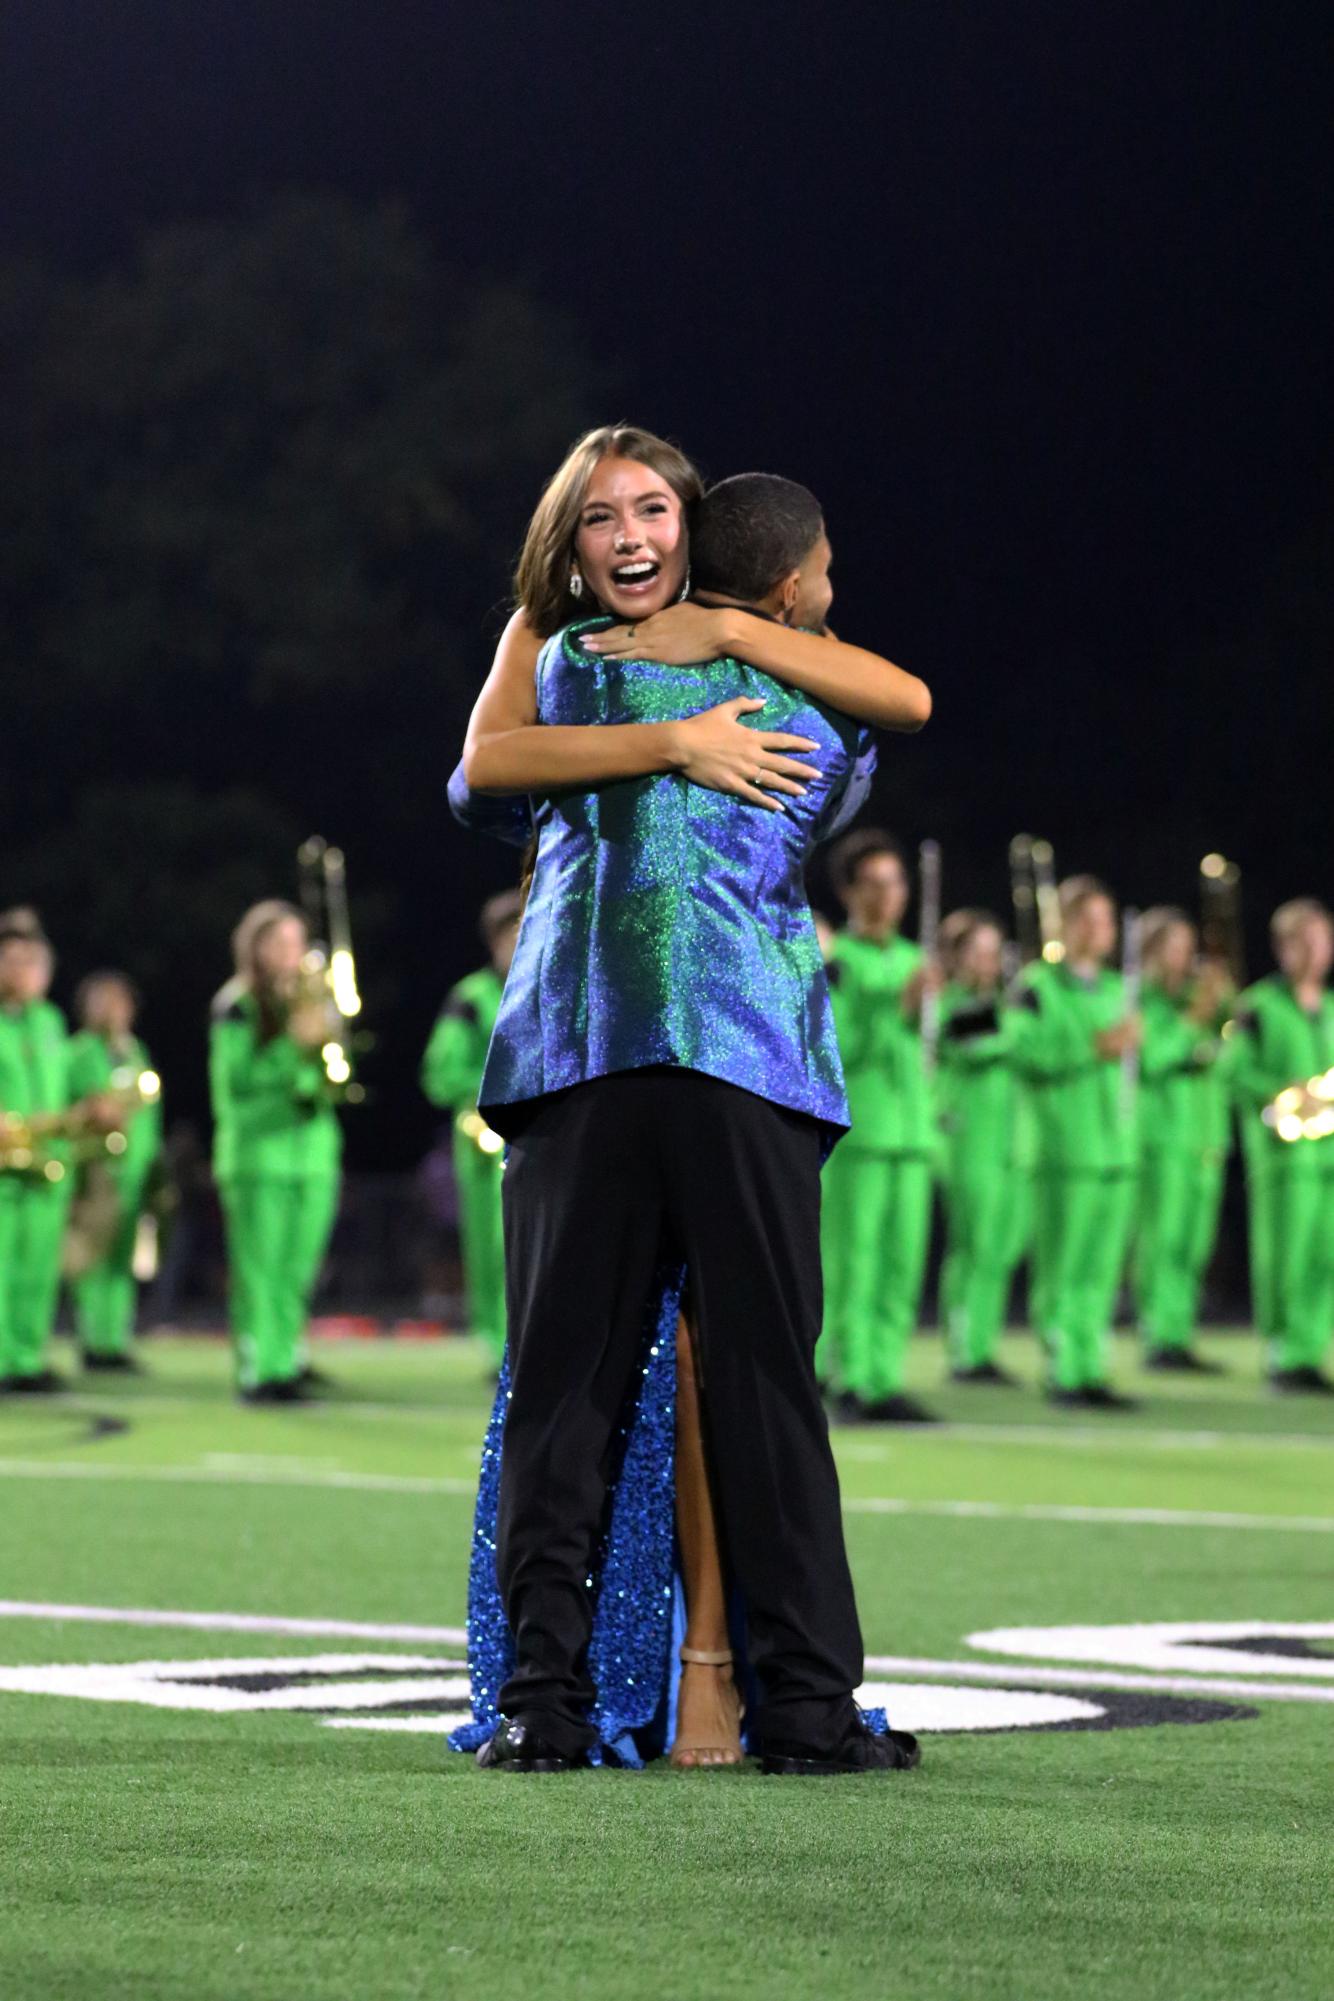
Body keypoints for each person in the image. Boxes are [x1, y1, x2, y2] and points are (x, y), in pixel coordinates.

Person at [457, 428, 931, 1775]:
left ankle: (615, 1704)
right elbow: (480, 770)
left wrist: (721, 641)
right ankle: (735, 1707)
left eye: (652, 511)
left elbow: (903, 698)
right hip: (658, 1056)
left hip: (674, 1053)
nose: (626, 538)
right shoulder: (576, 655)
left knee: (629, 1392)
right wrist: (678, 731)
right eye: (600, 517)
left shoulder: (593, 664)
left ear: (691, 533)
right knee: (689, 1392)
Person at [817, 831, 939, 1423]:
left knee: (901, 1263)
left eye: (896, 884)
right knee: (854, 1260)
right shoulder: (837, 963)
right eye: (874, 885)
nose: (888, 897)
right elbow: (835, 1048)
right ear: (849, 891)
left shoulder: (918, 961)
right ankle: (849, 1375)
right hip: (862, 1134)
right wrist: (897, 1010)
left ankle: (884, 1375)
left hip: (913, 1135)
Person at [1008, 876, 1140, 1408]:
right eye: (1087, 918)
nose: (1099, 931)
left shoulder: (1118, 990)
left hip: (1116, 1151)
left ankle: (1091, 1365)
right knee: (1064, 1266)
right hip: (1067, 1150)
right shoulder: (1036, 986)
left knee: (1102, 1269)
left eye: (1105, 920)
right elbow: (1026, 1055)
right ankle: (1062, 1366)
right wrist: (1093, 1048)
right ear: (1064, 922)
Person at [209, 901, 347, 1402]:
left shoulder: (309, 1000)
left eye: (296, 942)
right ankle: (259, 1368)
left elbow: (331, 1076)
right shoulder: (237, 1004)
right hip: (257, 1157)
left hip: (312, 1155)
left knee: (298, 1269)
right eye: (279, 943)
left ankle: (287, 1356)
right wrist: (294, 1045)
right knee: (260, 1269)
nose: (291, 954)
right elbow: (238, 1081)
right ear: (254, 948)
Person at [1224, 898, 1334, 1393]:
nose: (1313, 951)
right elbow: (1234, 1072)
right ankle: (1284, 1352)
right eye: (1302, 941)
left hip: (1328, 1156)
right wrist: (1283, 1094)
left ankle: (1310, 1350)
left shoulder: (1331, 1008)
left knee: (1325, 1258)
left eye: (1321, 939)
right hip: (1283, 1159)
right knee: (1285, 1259)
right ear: (1282, 948)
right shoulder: (1258, 1007)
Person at [420, 890, 521, 1370]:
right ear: (494, 941)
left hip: (545, 1133)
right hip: (488, 1138)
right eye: (512, 933)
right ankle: (501, 1345)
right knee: (492, 1250)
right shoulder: (471, 997)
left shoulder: (556, 984)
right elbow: (440, 1073)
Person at [1132, 910, 1232, 1372]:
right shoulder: (1143, 1002)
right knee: (1163, 1240)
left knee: (1195, 1244)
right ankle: (1158, 1334)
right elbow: (1152, 1058)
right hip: (1163, 1139)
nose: (1185, 958)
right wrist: (1195, 1019)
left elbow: (1228, 1049)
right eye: (1174, 947)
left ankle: (1179, 1330)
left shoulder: (1200, 1001)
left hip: (1204, 1138)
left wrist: (1223, 1001)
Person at [937, 910, 1032, 1384]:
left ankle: (983, 1343)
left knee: (1001, 1247)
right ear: (955, 958)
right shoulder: (952, 1006)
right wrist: (1019, 1025)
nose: (989, 963)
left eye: (995, 953)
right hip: (969, 1142)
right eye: (978, 953)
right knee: (973, 1246)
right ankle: (963, 1347)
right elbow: (984, 1045)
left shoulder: (1001, 1006)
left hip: (1011, 1144)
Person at [64, 971, 163, 1372]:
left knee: (126, 1260)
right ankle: (93, 1342)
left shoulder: (134, 1050)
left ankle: (116, 1339)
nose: (114, 1011)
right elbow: (88, 1106)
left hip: (134, 1170)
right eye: (104, 1002)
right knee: (91, 1258)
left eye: (121, 1002)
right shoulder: (80, 1050)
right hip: (96, 1169)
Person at [0, 913, 76, 1392]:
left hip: (46, 1163)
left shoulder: (51, 1021)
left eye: (33, 962)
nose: (24, 971)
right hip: (4, 1165)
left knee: (36, 1272)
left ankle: (27, 1359)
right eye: (12, 961)